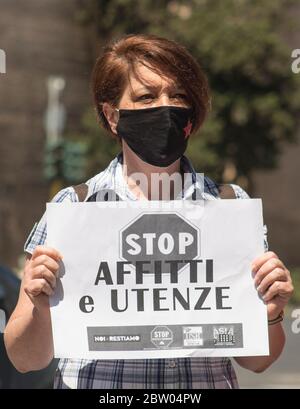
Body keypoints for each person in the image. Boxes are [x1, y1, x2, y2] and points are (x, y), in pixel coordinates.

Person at [4, 34, 293, 389]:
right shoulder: (74, 207)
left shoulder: (229, 206)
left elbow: (258, 361)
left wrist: (272, 314)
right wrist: (39, 304)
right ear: (113, 116)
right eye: (146, 96)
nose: (166, 107)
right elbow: (25, 359)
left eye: (179, 96)